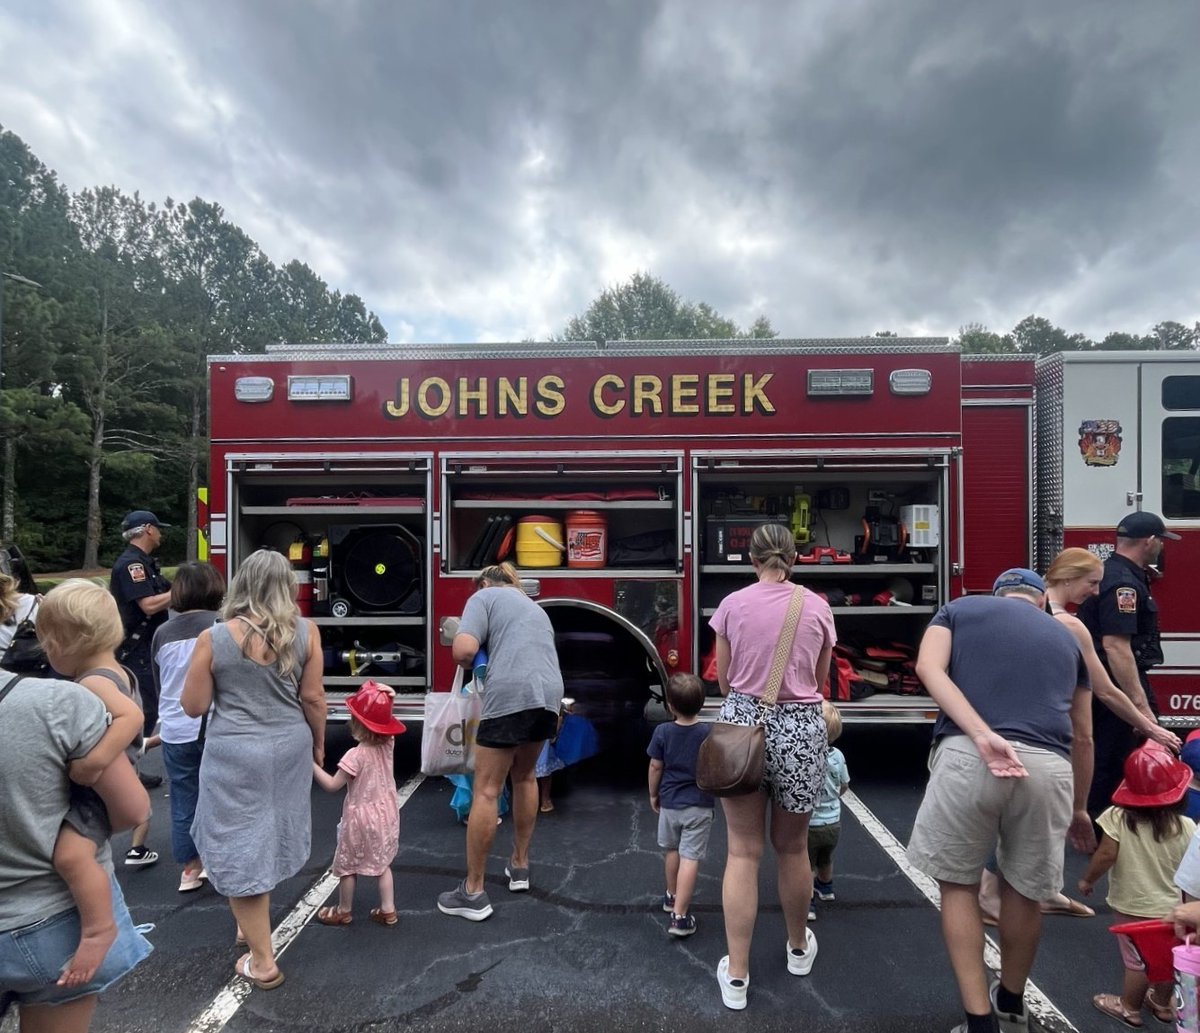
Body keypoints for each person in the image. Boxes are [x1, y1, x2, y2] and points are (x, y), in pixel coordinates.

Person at [907, 568, 1092, 1033]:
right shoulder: (1068, 639)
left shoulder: (958, 610)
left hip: (970, 757)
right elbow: (1084, 734)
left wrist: (982, 733)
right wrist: (1079, 809)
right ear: (1039, 602)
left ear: (997, 595)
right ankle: (1011, 1003)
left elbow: (927, 668)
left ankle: (978, 1022)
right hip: (1048, 768)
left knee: (958, 886)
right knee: (1024, 892)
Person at [979, 548, 1181, 925]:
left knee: (1033, 813)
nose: (1095, 591)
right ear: (1068, 578)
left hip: (1009, 724)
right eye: (1091, 583)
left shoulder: (1020, 615)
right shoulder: (1068, 626)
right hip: (1048, 730)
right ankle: (993, 893)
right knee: (1038, 812)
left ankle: (1037, 888)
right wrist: (1151, 726)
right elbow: (1105, 690)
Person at [182, 549, 326, 991]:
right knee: (269, 834)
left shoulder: (215, 637)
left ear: (241, 584)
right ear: (287, 586)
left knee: (235, 841)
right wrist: (318, 744)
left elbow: (193, 707)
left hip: (235, 754)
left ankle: (262, 961)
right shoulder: (306, 632)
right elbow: (314, 699)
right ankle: (249, 927)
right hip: (288, 749)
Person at [708, 522, 836, 1010]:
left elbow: (723, 682)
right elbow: (820, 680)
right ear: (796, 557)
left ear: (752, 560)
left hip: (744, 727)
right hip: (803, 728)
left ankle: (737, 975)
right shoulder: (818, 607)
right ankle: (798, 946)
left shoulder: (732, 606)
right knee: (793, 846)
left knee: (743, 852)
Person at [0, 667, 153, 1032]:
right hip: (50, 920)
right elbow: (133, 809)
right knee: (74, 857)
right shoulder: (55, 702)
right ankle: (100, 930)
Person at [32, 579, 152, 989]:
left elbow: (131, 720)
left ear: (71, 642)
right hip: (114, 781)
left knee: (70, 856)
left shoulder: (92, 683)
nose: (45, 651)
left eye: (48, 642)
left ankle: (100, 929)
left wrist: (91, 763)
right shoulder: (118, 672)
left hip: (95, 790)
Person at [438, 562, 563, 921]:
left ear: (483, 582)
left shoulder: (485, 596)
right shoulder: (535, 608)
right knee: (524, 777)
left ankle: (473, 892)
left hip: (510, 694)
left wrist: (470, 644)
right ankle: (519, 866)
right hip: (549, 696)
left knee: (487, 790)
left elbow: (462, 650)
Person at [1079, 744, 1193, 1026]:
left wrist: (1087, 879)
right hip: (1174, 909)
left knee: (1137, 961)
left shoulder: (1117, 819)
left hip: (1132, 906)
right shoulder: (1188, 826)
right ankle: (1163, 1005)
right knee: (1167, 958)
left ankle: (1128, 1007)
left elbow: (1105, 855)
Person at [1077, 512, 1180, 820]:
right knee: (1113, 757)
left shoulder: (1115, 573)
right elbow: (1116, 647)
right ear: (1149, 541)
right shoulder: (1124, 584)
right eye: (1161, 540)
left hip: (1104, 681)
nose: (1162, 546)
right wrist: (1139, 707)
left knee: (1110, 754)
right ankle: (1098, 831)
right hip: (1114, 682)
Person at [150, 561, 225, 893]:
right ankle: (220, 861)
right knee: (222, 795)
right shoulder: (222, 626)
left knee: (183, 798)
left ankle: (190, 869)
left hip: (175, 728)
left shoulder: (162, 633)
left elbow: (159, 682)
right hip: (215, 724)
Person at [313, 681, 404, 927]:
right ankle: (388, 909)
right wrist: (389, 699)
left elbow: (333, 785)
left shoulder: (355, 756)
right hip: (386, 814)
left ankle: (343, 910)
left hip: (359, 818)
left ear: (355, 723)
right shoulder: (387, 745)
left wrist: (310, 765)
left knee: (348, 865)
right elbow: (385, 720)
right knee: (382, 864)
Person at [647, 672, 713, 938]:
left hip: (670, 804)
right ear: (703, 703)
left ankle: (671, 896)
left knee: (672, 851)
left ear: (670, 706)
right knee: (690, 857)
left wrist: (653, 794)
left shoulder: (662, 732)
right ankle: (680, 917)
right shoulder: (707, 732)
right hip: (698, 804)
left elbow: (655, 766)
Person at [109, 510, 173, 765]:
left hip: (146, 645)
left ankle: (129, 765)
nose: (160, 533)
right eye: (158, 528)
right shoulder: (132, 566)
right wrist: (182, 590)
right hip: (136, 649)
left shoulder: (145, 563)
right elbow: (148, 605)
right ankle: (124, 765)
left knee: (147, 707)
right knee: (143, 709)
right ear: (147, 529)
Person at [808, 700, 850, 920]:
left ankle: (807, 904)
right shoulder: (838, 756)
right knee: (826, 858)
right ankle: (826, 889)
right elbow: (844, 784)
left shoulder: (808, 756)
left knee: (806, 864)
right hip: (833, 822)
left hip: (810, 823)